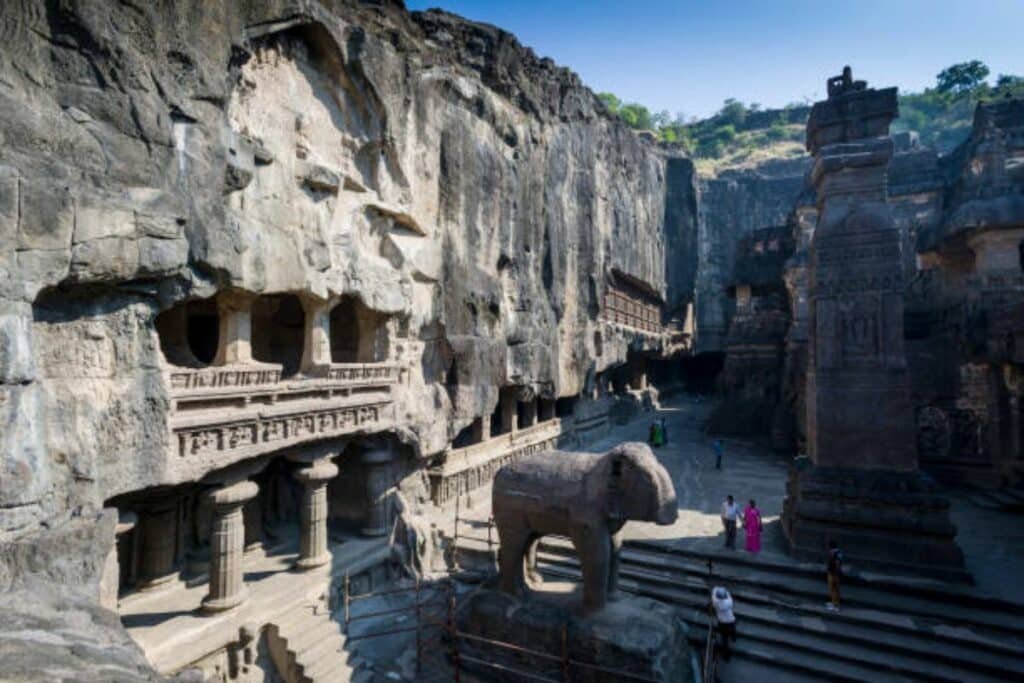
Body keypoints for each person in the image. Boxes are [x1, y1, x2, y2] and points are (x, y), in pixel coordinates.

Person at [709, 586, 737, 661]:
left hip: (722, 622)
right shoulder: (729, 602)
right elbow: (728, 594)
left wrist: (716, 589)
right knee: (733, 628)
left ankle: (727, 655)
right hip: (730, 619)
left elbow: (714, 591)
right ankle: (734, 637)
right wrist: (726, 591)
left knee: (724, 639)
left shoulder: (715, 601)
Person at [826, 540, 843, 612]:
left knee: (833, 589)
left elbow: (837, 563)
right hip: (834, 573)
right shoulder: (839, 553)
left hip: (833, 574)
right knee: (835, 589)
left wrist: (835, 572)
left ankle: (835, 606)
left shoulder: (834, 553)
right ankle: (834, 603)